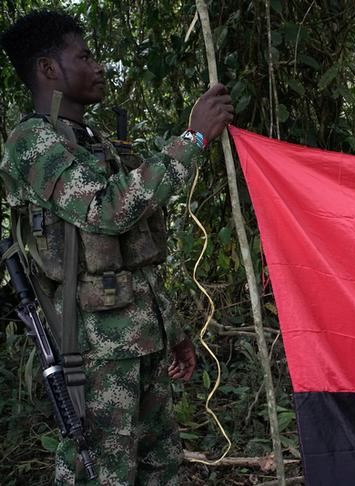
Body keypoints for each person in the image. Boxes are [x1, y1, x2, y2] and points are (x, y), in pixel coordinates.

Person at [0, 10, 233, 484]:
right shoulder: (31, 143)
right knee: (102, 475)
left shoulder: (92, 142)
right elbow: (108, 211)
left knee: (160, 468)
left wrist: (173, 329)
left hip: (141, 343)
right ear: (48, 69)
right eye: (83, 56)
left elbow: (132, 253)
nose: (98, 65)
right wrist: (193, 139)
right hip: (95, 355)